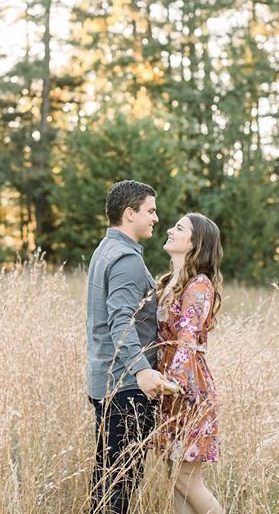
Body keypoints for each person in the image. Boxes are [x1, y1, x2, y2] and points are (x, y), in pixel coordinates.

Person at [86, 180, 178, 514]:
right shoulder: (126, 259)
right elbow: (120, 320)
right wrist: (141, 370)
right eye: (150, 211)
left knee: (107, 480)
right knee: (119, 488)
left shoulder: (105, 249)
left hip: (107, 382)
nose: (156, 218)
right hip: (125, 387)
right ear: (129, 213)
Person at [155, 213, 224, 514]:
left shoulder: (199, 285)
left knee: (187, 481)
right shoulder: (169, 282)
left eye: (179, 228)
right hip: (169, 390)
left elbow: (187, 337)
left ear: (195, 243)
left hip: (187, 390)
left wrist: (174, 384)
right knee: (177, 481)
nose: (170, 230)